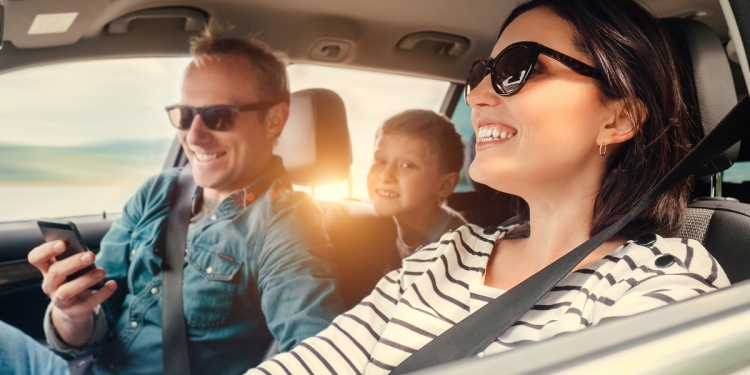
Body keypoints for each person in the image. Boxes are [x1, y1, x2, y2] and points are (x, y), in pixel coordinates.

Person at [247, 0, 730, 373]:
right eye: (481, 74)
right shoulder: (443, 258)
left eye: (517, 70)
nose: (477, 98)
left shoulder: (658, 286)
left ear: (619, 117)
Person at [11, 31, 346, 375]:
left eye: (219, 115)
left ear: (275, 119)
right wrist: (70, 312)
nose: (194, 136)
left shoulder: (286, 223)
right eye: (186, 115)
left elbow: (318, 357)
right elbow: (97, 321)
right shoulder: (159, 191)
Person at [367, 110, 467, 259]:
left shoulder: (458, 248)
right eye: (380, 161)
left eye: (407, 165)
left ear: (444, 185)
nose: (385, 176)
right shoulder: (384, 230)